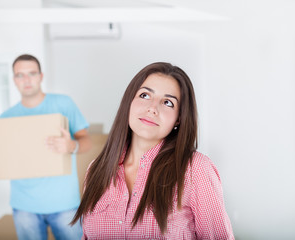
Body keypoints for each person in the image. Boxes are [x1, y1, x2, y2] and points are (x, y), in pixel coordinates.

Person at [71, 62, 234, 239]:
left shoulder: (196, 169)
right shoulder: (97, 169)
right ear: (129, 102)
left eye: (167, 102)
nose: (152, 108)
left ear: (179, 118)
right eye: (145, 95)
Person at [0, 54, 91, 240]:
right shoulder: (6, 118)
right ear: (14, 80)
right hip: (24, 206)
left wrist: (71, 145)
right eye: (20, 75)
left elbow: (87, 142)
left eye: (32, 73)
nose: (26, 80)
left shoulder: (64, 103)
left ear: (41, 76)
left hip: (65, 203)